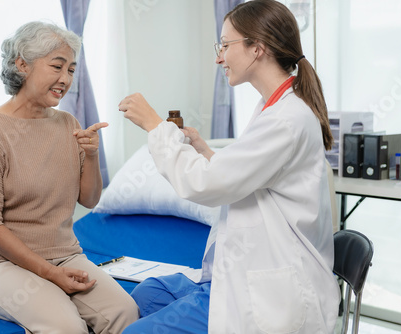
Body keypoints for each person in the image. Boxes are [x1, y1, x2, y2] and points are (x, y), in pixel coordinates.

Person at [118, 0, 340, 333]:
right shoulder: (274, 106)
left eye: (225, 45)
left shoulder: (285, 119)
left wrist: (154, 126)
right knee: (149, 293)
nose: (218, 57)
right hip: (237, 273)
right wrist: (205, 150)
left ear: (257, 48)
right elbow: (247, 174)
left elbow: (206, 185)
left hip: (272, 291)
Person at [0, 21, 138, 334]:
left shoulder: (67, 122)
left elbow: (90, 199)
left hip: (66, 255)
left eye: (71, 69)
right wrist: (50, 275)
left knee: (126, 313)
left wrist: (92, 155)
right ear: (22, 65)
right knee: (66, 328)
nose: (65, 79)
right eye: (57, 66)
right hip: (0, 264)